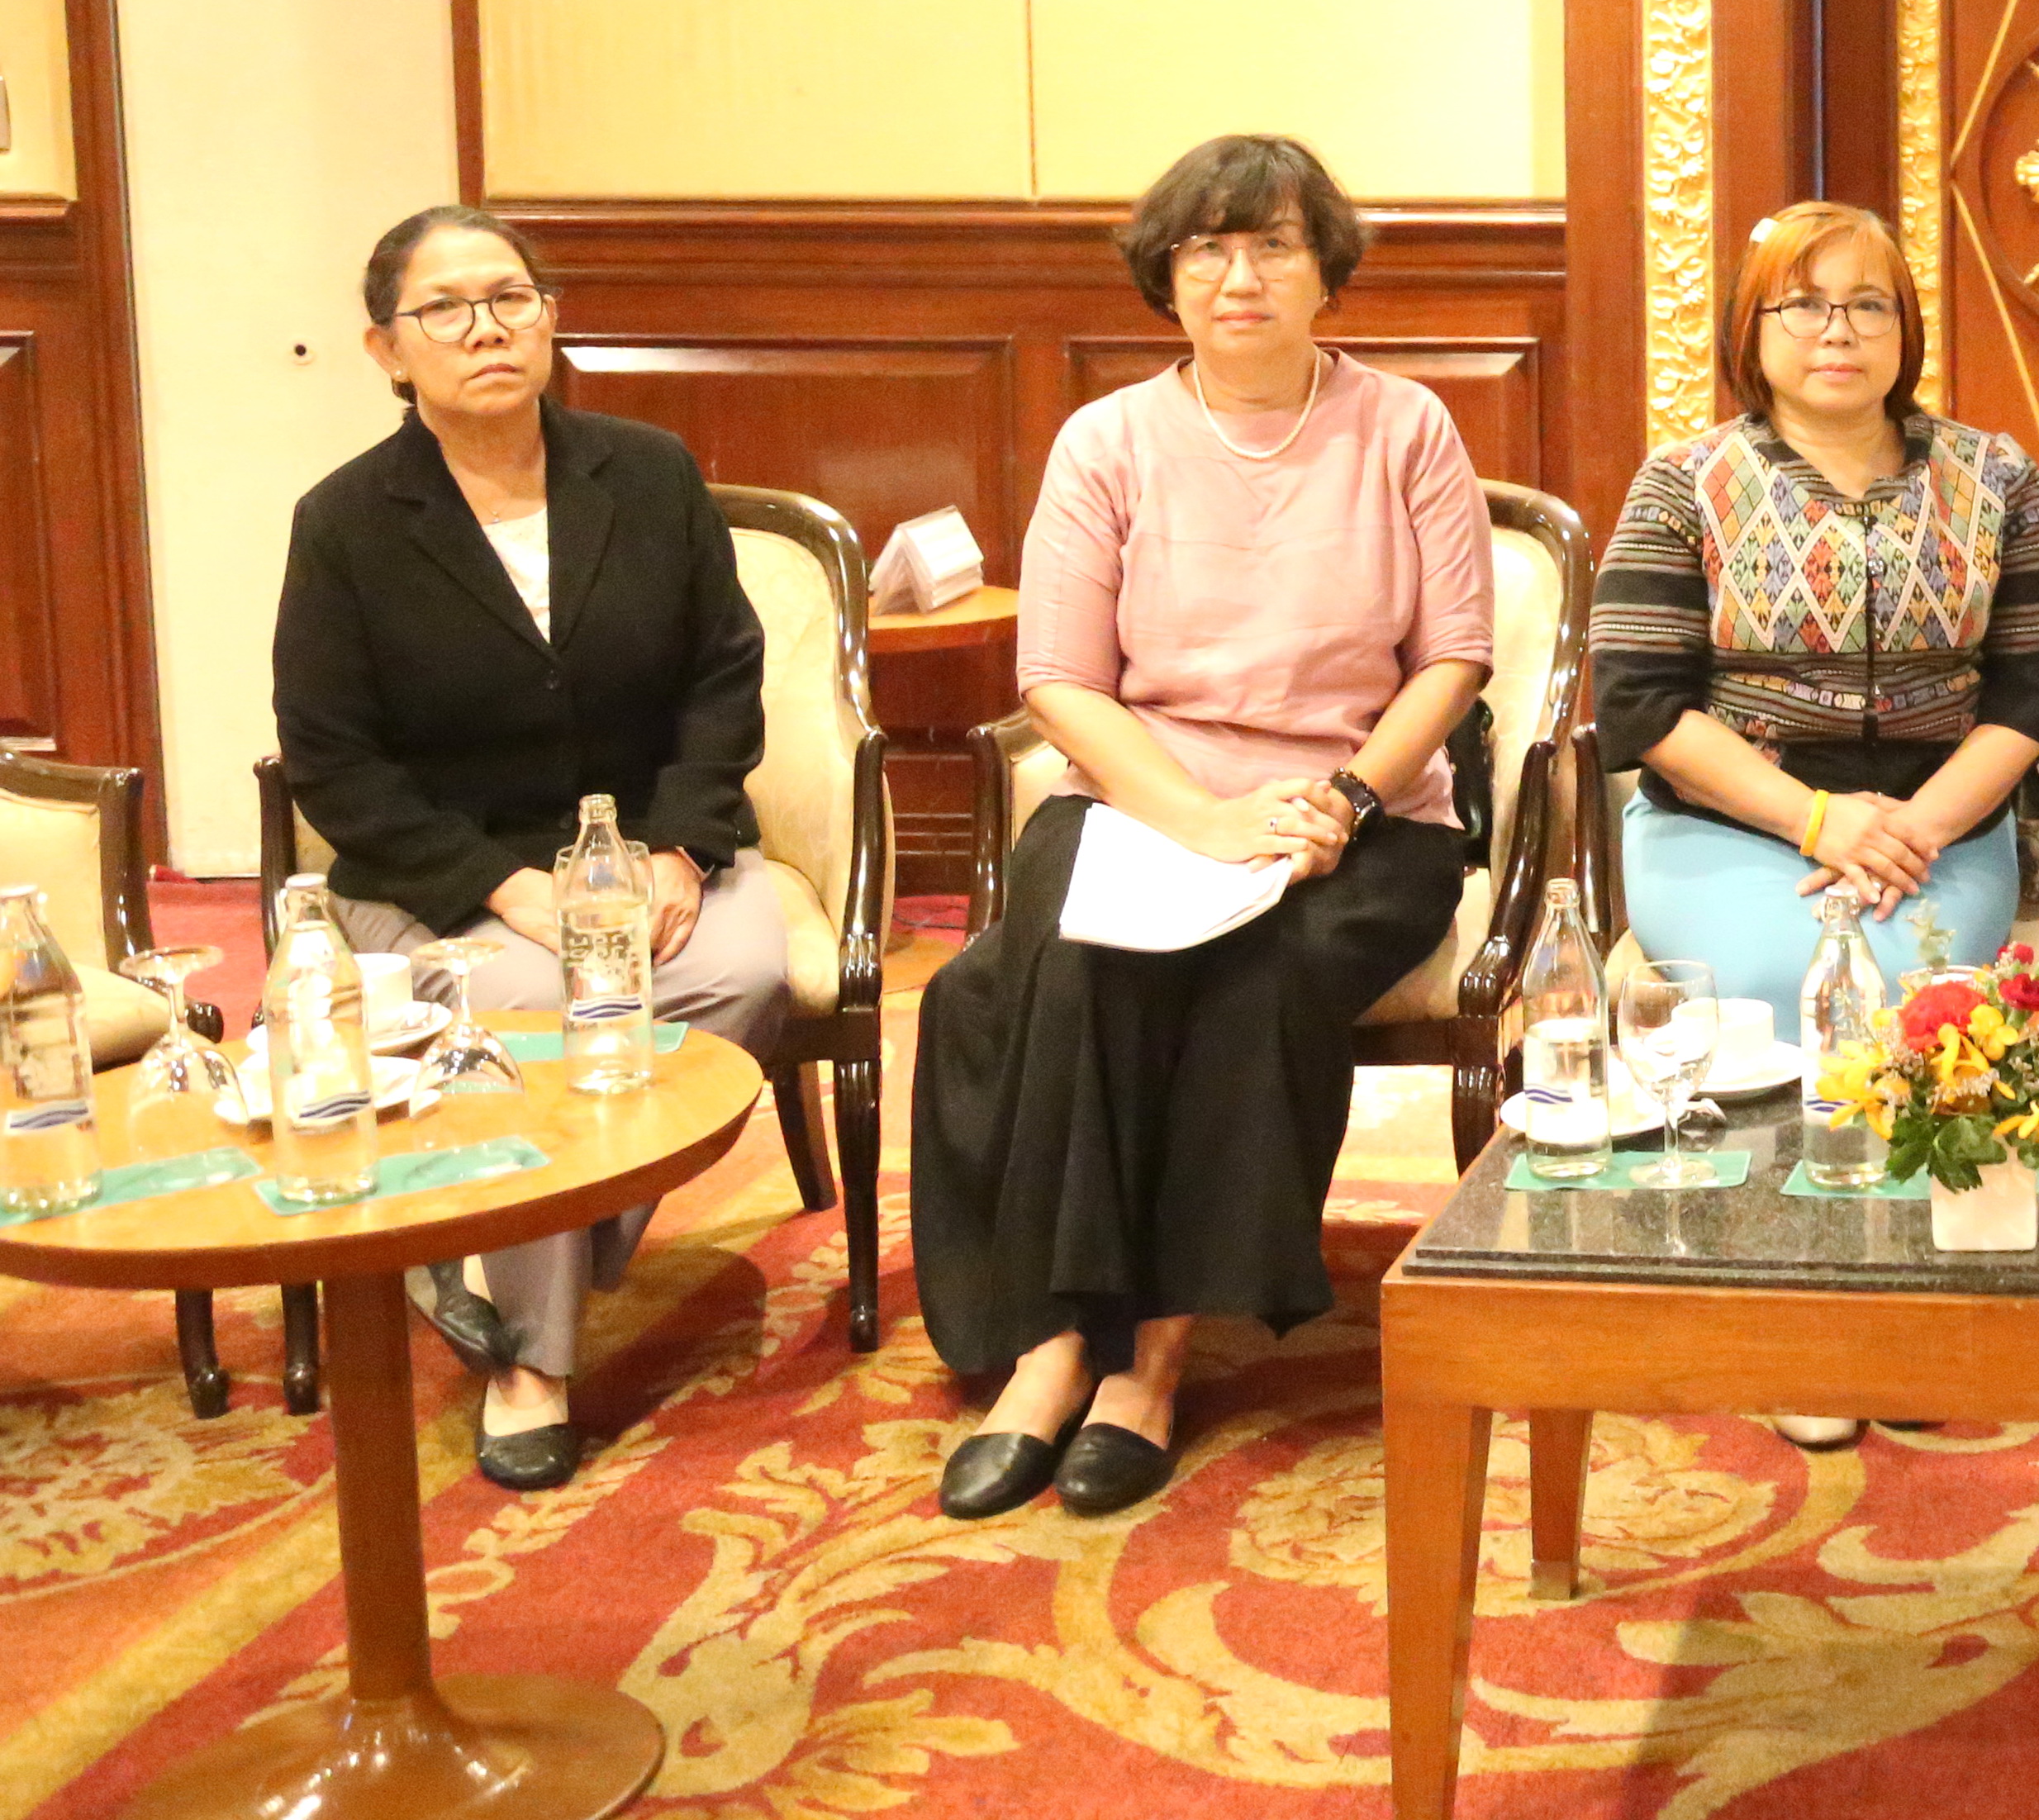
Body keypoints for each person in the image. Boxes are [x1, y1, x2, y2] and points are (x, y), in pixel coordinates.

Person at [914, 135, 1493, 1522]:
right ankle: (1052, 1347)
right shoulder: (1106, 441)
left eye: (1274, 245)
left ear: (1325, 272)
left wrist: (1343, 800)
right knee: (1068, 963)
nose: (1241, 277)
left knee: (1255, 974)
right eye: (1207, 250)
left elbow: (1453, 658)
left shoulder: (1405, 426)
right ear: (1165, 279)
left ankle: (1152, 1361)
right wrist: (1200, 818)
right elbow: (1061, 679)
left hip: (1360, 814)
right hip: (1143, 796)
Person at [273, 207, 794, 1493]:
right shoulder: (346, 521)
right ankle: (533, 1363)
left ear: (550, 319)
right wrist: (505, 888)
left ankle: (506, 1253)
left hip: (648, 851)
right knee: (535, 1008)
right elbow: (333, 760)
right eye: (444, 309)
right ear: (387, 350)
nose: (485, 329)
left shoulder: (648, 472)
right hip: (449, 875)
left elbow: (722, 678)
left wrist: (677, 853)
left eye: (509, 297)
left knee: (742, 975)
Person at [1595, 200, 2039, 1029]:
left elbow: (2034, 691)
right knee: (1781, 977)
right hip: (1725, 828)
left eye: (1868, 304)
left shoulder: (1997, 477)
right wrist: (1817, 820)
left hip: (1938, 834)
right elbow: (1639, 702)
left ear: (1904, 327)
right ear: (1752, 327)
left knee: (1918, 990)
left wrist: (1909, 832)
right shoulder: (1682, 482)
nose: (1838, 331)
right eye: (1803, 304)